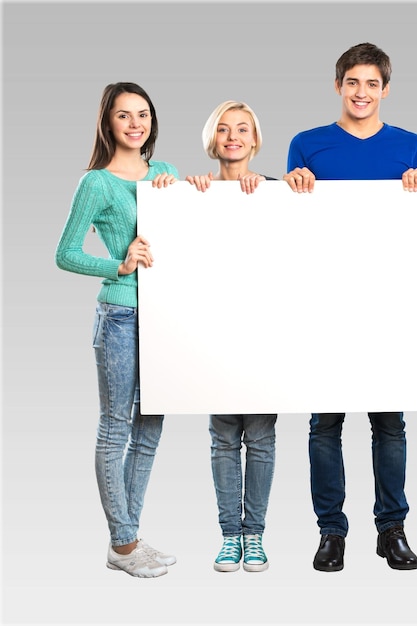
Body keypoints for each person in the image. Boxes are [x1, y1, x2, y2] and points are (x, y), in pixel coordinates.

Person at [283, 42, 417, 572]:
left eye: (372, 84)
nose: (362, 92)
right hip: (324, 302)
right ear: (338, 86)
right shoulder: (307, 143)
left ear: (385, 89)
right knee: (326, 423)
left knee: (389, 423)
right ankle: (331, 533)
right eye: (353, 82)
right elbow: (288, 230)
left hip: (387, 304)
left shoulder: (411, 145)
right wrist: (292, 184)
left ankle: (392, 529)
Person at [55, 82, 179, 578]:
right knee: (115, 428)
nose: (135, 124)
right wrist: (119, 265)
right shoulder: (97, 184)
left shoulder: (165, 173)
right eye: (124, 115)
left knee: (151, 428)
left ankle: (127, 536)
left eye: (143, 114)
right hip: (122, 316)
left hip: (167, 317)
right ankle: (124, 545)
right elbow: (65, 253)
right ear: (108, 122)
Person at [186, 101, 277, 573]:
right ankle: (229, 535)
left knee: (260, 438)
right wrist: (184, 193)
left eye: (242, 129)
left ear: (255, 139)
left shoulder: (274, 191)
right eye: (223, 129)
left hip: (264, 336)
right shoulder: (193, 193)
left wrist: (274, 191)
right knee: (223, 439)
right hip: (213, 337)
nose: (233, 136)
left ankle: (255, 535)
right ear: (213, 139)